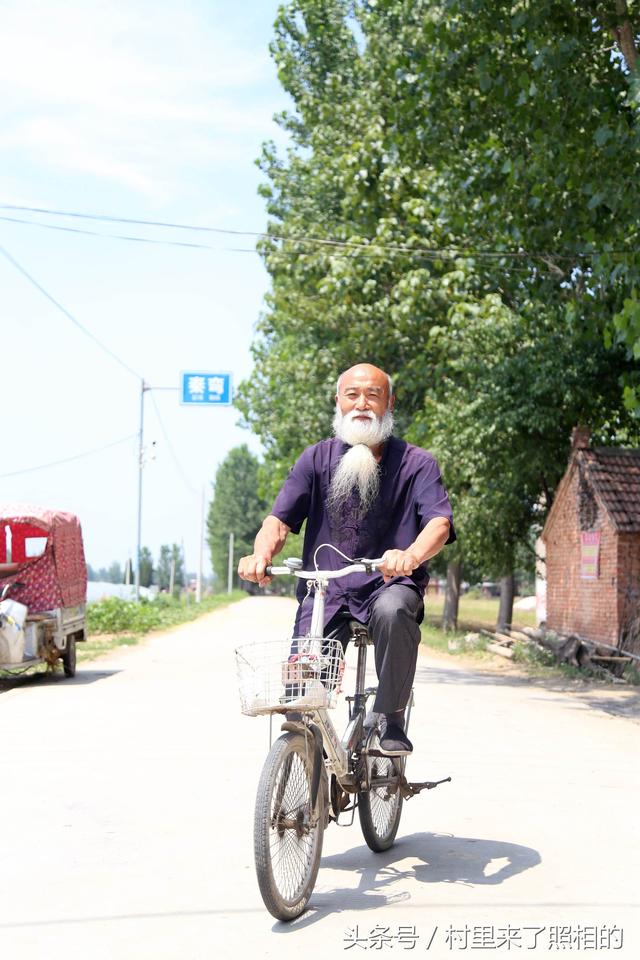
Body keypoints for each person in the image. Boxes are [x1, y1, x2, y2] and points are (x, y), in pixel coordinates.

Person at [238, 363, 455, 755]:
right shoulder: (316, 459)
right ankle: (302, 761)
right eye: (352, 394)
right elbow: (278, 520)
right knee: (301, 693)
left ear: (389, 402)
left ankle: (390, 719)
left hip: (389, 585)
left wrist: (410, 554)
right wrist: (260, 554)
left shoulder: (417, 463)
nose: (362, 404)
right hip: (328, 590)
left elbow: (439, 523)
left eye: (372, 395)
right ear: (338, 400)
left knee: (394, 611)